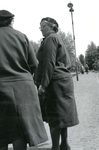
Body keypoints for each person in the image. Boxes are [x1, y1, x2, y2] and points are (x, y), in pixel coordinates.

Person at [0, 10, 48, 150]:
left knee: (0, 131)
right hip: (24, 91)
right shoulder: (21, 36)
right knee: (21, 129)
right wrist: (22, 77)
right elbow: (34, 64)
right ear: (11, 21)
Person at [35, 17, 79, 150]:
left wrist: (43, 84)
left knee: (54, 116)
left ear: (51, 26)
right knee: (62, 116)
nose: (40, 28)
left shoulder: (50, 39)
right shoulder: (56, 38)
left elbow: (49, 62)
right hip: (63, 81)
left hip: (55, 83)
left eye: (43, 26)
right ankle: (64, 145)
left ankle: (55, 147)